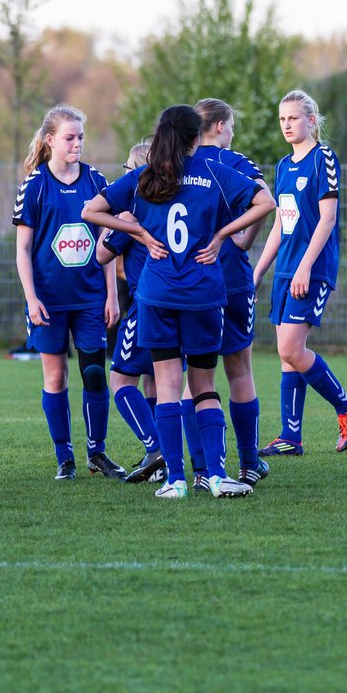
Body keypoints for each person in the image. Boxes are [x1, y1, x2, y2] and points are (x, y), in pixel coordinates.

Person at [82, 104, 275, 499]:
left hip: (156, 295)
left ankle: (175, 480)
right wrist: (222, 235)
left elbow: (90, 210)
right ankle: (218, 476)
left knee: (167, 387)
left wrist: (137, 232)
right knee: (203, 385)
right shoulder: (215, 174)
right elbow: (265, 203)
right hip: (204, 295)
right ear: (195, 138)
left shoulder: (143, 179)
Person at [253, 89, 347, 456]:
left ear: (311, 121)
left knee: (291, 347)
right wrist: (258, 272)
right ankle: (290, 437)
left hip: (311, 270)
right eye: (282, 119)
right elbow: (279, 225)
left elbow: (327, 219)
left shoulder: (324, 159)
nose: (287, 125)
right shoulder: (284, 166)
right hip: (285, 270)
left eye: (294, 118)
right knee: (288, 354)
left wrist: (305, 266)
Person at [13, 104, 124, 481]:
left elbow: (107, 241)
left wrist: (111, 294)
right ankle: (65, 457)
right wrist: (31, 298)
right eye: (69, 138)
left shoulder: (96, 181)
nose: (77, 144)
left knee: (94, 374)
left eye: (81, 137)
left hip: (91, 298)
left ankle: (98, 453)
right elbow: (22, 250)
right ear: (50, 141)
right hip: (49, 300)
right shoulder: (35, 185)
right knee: (56, 377)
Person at [194, 98, 270, 487]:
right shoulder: (236, 163)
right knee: (240, 370)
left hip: (191, 284)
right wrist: (241, 240)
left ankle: (204, 467)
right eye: (233, 125)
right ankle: (248, 462)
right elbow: (264, 199)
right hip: (233, 279)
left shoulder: (183, 164)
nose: (234, 132)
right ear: (221, 126)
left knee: (195, 376)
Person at [94, 142, 167, 483]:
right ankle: (176, 460)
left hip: (144, 304)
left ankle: (156, 447)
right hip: (177, 303)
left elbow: (101, 256)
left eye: (127, 168)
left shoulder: (132, 211)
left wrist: (117, 223)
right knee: (158, 381)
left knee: (121, 381)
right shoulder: (171, 204)